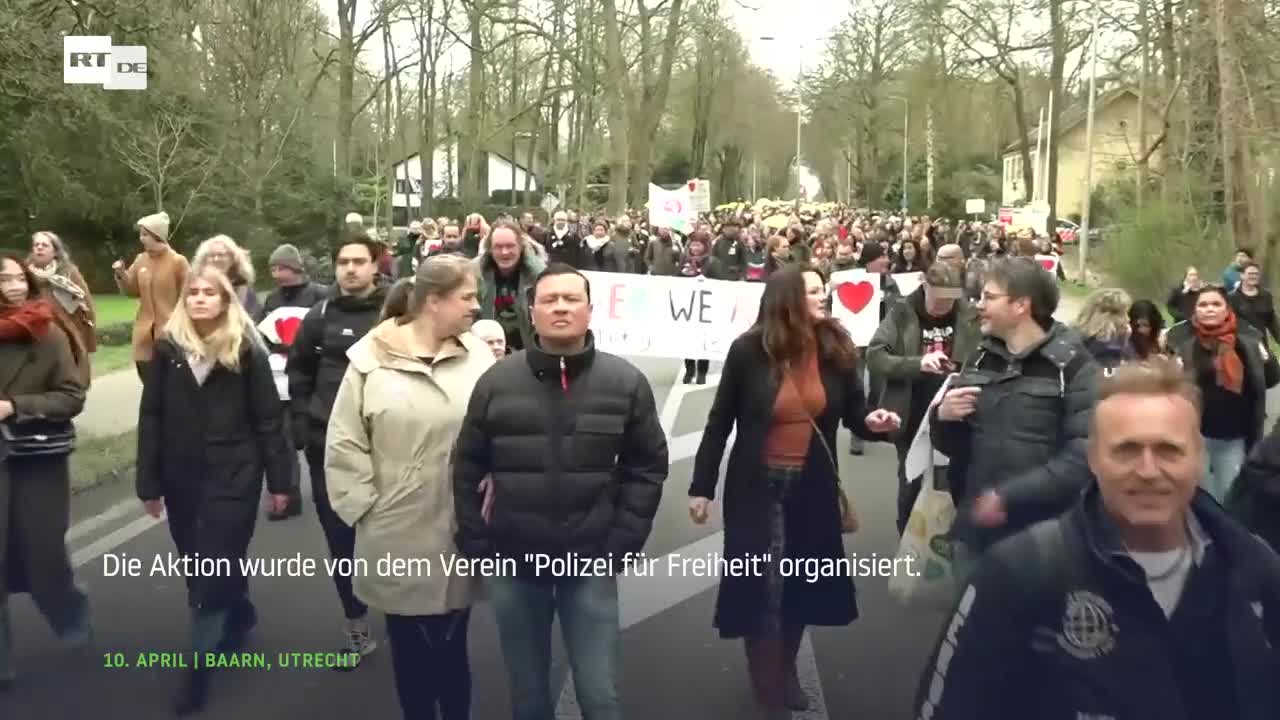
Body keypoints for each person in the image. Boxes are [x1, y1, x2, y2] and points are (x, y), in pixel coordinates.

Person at [914, 358, 1280, 720]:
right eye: (1126, 450)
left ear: (1199, 459)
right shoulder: (1019, 572)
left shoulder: (1255, 570)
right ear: (1092, 459)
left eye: (1169, 450)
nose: (1148, 471)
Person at [453, 263, 668, 720]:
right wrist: (477, 543)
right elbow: (466, 464)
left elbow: (647, 467)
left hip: (590, 560)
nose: (561, 308)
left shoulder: (624, 382)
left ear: (591, 310)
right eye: (549, 300)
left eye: (572, 299)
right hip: (512, 560)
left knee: (599, 695)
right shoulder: (496, 382)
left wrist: (621, 543)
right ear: (532, 312)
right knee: (528, 696)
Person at [689, 265, 900, 711]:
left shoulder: (837, 348)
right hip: (756, 487)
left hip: (813, 485)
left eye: (825, 288)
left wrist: (876, 423)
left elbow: (855, 413)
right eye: (813, 291)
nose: (824, 296)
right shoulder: (748, 351)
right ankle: (765, 672)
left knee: (802, 582)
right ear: (786, 299)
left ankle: (784, 666)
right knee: (762, 584)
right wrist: (701, 486)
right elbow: (718, 422)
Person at [326, 255, 494, 720]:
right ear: (433, 302)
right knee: (410, 648)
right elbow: (343, 442)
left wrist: (493, 485)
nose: (475, 307)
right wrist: (366, 507)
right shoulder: (368, 359)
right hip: (394, 528)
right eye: (467, 297)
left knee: (453, 646)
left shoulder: (478, 355)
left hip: (459, 522)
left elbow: (498, 427)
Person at [136, 266, 292, 714]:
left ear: (226, 301)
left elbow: (268, 421)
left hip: (235, 475)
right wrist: (149, 480)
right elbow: (153, 416)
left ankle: (198, 674)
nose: (200, 298)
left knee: (212, 567)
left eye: (210, 293)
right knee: (197, 560)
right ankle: (237, 609)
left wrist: (281, 482)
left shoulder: (246, 352)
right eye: (194, 292)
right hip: (182, 476)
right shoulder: (167, 352)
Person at [932, 257, 1099, 555]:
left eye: (990, 297)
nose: (978, 305)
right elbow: (953, 448)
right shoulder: (980, 357)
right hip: (975, 531)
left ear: (1021, 305)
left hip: (1045, 539)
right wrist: (943, 417)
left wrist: (1008, 496)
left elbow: (1085, 457)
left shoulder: (1073, 365)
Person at [287, 233, 388, 662]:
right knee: (340, 540)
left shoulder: (393, 315)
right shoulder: (319, 315)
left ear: (374, 266)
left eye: (358, 261)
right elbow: (298, 374)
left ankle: (403, 611)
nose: (350, 269)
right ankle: (356, 623)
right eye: (343, 261)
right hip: (326, 444)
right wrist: (302, 427)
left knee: (386, 537)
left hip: (384, 446)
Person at [0, 253, 90, 690]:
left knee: (42, 556)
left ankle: (69, 608)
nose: (14, 285)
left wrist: (16, 406)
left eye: (19, 277)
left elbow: (72, 397)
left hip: (36, 458)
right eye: (4, 278)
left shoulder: (47, 332)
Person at [866, 262, 980, 534]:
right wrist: (917, 364)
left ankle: (947, 548)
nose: (943, 306)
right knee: (912, 484)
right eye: (937, 298)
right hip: (912, 414)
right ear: (924, 285)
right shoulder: (902, 312)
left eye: (949, 300)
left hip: (958, 416)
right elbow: (875, 356)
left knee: (956, 485)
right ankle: (907, 542)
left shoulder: (968, 314)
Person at [1163, 285, 1279, 502]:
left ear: (1227, 309)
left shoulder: (1247, 339)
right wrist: (1170, 371)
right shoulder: (1179, 341)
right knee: (1198, 498)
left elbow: (1271, 380)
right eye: (1203, 305)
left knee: (1229, 497)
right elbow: (1163, 387)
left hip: (1234, 435)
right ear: (1194, 310)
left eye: (1216, 304)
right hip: (1193, 434)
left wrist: (1267, 359)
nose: (1210, 309)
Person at [255, 243, 328, 521]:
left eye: (281, 267)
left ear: (295, 267)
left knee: (316, 438)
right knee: (283, 439)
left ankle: (330, 492)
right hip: (281, 379)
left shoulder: (319, 295)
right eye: (273, 268)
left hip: (315, 377)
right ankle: (289, 496)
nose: (276, 273)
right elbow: (261, 335)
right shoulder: (272, 300)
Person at [113, 212, 189, 382]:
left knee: (171, 387)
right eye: (141, 234)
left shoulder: (178, 261)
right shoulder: (141, 260)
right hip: (144, 336)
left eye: (145, 234)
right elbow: (131, 291)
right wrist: (121, 274)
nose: (141, 239)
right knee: (149, 386)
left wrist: (181, 326)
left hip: (171, 336)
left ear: (157, 235)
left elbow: (187, 297)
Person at [27, 232, 96, 386]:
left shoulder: (69, 273)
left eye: (44, 245)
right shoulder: (24, 276)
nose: (39, 248)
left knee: (68, 382)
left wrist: (88, 341)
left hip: (67, 337)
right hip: (37, 337)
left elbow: (86, 308)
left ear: (55, 251)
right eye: (36, 245)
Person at [474, 220, 545, 354]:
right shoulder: (475, 276)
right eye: (498, 247)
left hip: (529, 354)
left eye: (510, 246)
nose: (504, 252)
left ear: (521, 247)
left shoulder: (540, 278)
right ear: (490, 249)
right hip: (485, 354)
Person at [192, 234, 261, 319]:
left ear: (233, 258)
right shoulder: (194, 287)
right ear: (204, 259)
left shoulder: (244, 291)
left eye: (221, 255)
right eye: (211, 255)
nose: (216, 259)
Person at [1073, 288, 1134, 375]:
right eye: (1123, 314)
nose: (1128, 319)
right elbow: (1110, 379)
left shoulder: (1071, 336)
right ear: (1106, 316)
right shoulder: (1105, 348)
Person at [1229, 261, 1280, 345]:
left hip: (1261, 342)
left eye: (1256, 274)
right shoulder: (1232, 297)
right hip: (1241, 343)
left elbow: (1272, 321)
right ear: (1242, 275)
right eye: (1250, 273)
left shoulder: (1266, 296)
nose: (1253, 276)